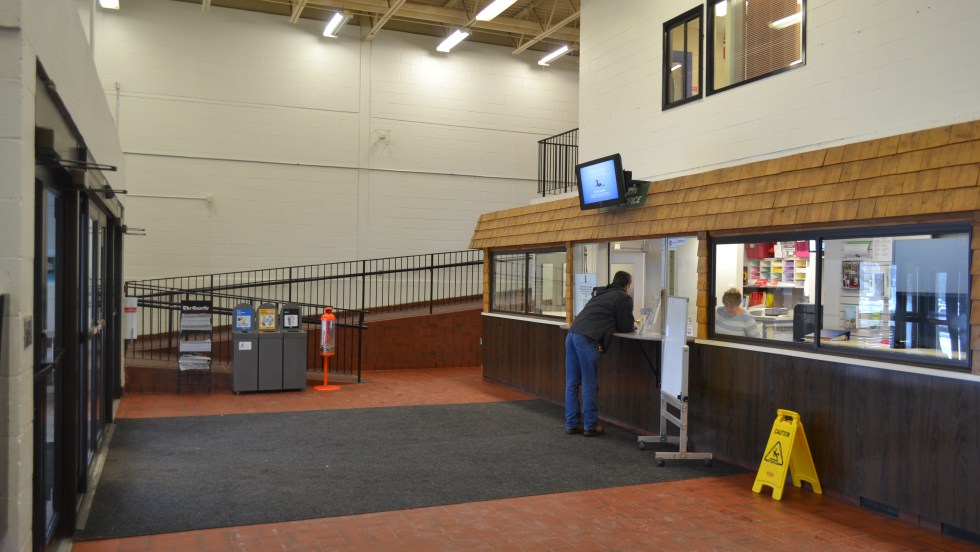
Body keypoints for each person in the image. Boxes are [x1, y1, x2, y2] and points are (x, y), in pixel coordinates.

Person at [565, 270, 635, 437]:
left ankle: (571, 424)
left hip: (572, 334)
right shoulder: (623, 297)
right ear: (627, 286)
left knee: (572, 382)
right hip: (587, 338)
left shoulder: (600, 293)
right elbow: (626, 327)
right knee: (589, 383)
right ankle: (590, 426)